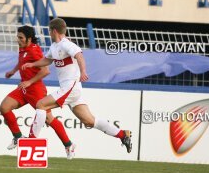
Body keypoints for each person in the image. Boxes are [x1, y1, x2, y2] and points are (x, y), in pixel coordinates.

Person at [23, 18, 132, 158]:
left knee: (40, 105)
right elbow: (47, 60)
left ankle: (31, 142)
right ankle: (123, 135)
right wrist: (33, 65)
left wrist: (83, 72)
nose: (49, 33)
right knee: (89, 121)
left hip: (71, 88)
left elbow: (79, 55)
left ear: (54, 31)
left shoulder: (66, 44)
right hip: (72, 89)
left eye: (49, 31)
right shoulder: (54, 46)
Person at [0, 25, 75, 159]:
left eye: (21, 37)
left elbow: (45, 70)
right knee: (4, 107)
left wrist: (29, 82)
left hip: (35, 90)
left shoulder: (35, 51)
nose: (18, 40)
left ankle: (68, 145)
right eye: (18, 37)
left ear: (29, 38)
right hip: (23, 89)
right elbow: (22, 60)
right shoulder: (23, 48)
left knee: (49, 119)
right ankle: (18, 137)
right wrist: (13, 71)